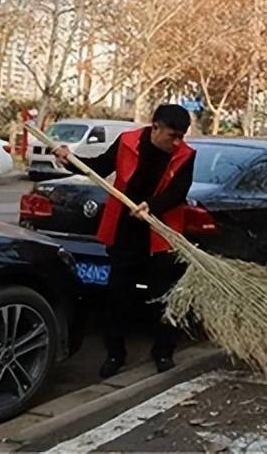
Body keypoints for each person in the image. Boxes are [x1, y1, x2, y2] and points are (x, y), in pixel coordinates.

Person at [54, 104, 196, 378]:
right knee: (118, 296)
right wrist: (69, 159)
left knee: (164, 297)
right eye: (172, 135)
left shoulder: (186, 156)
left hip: (160, 235)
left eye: (181, 136)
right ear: (155, 127)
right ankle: (115, 354)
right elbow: (99, 168)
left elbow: (179, 192)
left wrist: (150, 206)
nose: (177, 142)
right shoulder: (128, 142)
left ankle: (163, 352)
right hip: (126, 232)